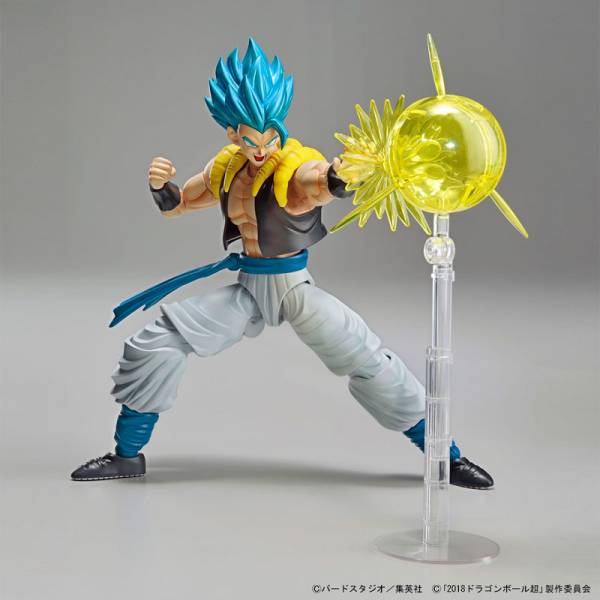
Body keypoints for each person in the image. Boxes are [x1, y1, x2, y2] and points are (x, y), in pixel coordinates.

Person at [71, 39, 493, 490]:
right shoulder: (226, 168)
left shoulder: (293, 165)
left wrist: (339, 176)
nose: (261, 148)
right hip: (248, 289)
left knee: (367, 359)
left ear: (280, 128)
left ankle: (445, 456)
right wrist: (161, 187)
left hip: (294, 289)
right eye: (249, 139)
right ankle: (127, 454)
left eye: (269, 137)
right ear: (232, 133)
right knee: (156, 342)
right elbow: (180, 204)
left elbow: (316, 183)